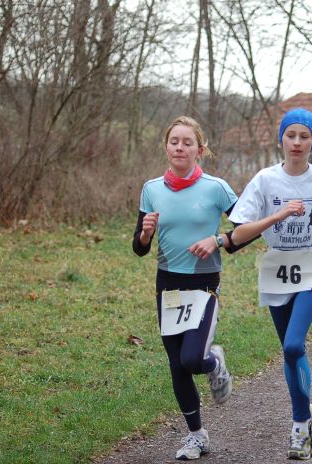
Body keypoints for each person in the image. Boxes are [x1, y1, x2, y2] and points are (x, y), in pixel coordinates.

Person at [229, 108, 312, 460]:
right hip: (277, 266)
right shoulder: (265, 180)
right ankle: (304, 415)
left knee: (294, 345)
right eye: (291, 135)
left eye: (304, 136)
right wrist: (278, 215)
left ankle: (300, 425)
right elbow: (239, 233)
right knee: (289, 351)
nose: (297, 142)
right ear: (281, 139)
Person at [132, 116, 237, 460]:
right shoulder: (151, 189)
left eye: (187, 142)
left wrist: (218, 240)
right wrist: (145, 234)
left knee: (192, 358)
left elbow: (245, 228)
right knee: (177, 365)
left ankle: (214, 362)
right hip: (167, 284)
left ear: (200, 150)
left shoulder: (216, 188)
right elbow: (139, 247)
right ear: (166, 147)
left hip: (203, 283)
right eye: (174, 141)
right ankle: (196, 436)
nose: (180, 147)